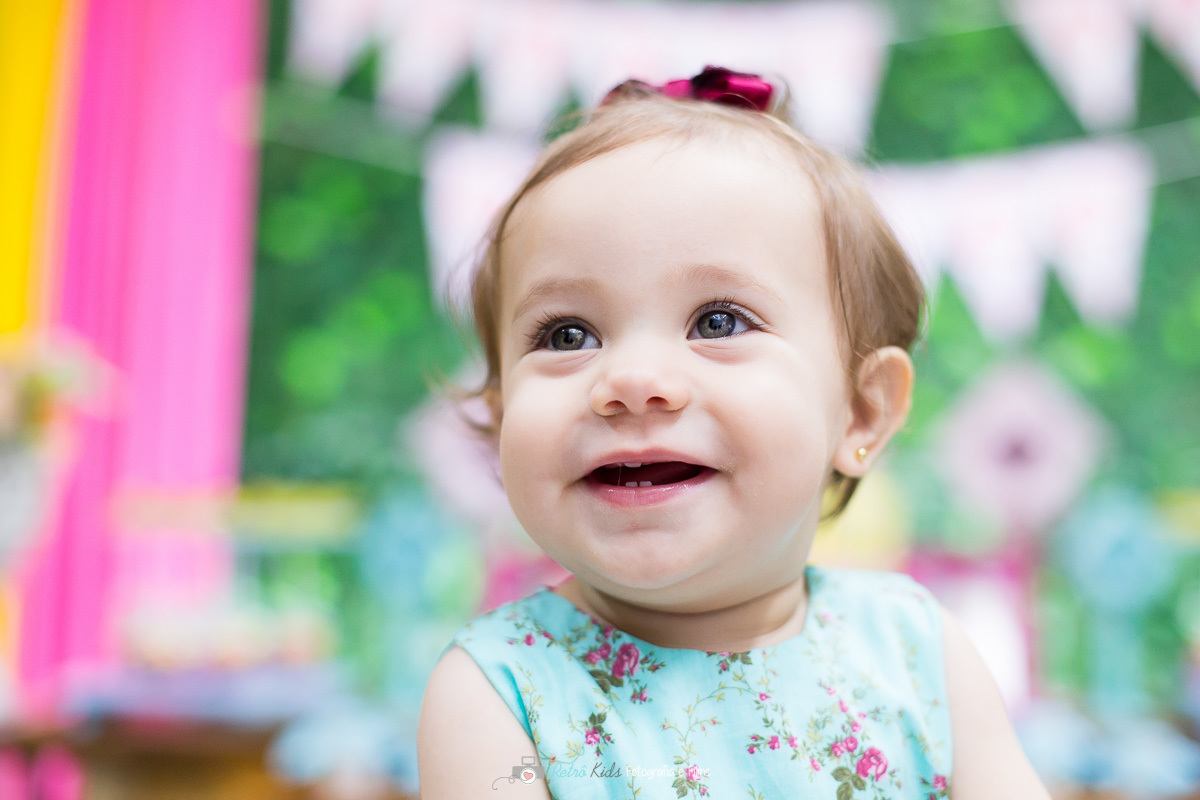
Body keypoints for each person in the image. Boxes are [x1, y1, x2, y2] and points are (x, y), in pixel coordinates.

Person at [418, 67, 1050, 799]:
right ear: (500, 417)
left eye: (718, 322)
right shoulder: (501, 693)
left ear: (862, 412)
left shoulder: (917, 652)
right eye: (567, 334)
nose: (631, 379)